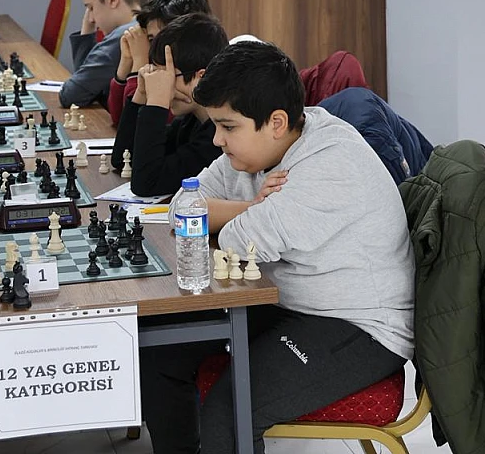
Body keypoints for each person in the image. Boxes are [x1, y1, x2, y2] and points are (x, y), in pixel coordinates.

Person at [139, 42, 416, 454]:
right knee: (161, 347)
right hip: (289, 302)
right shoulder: (258, 150)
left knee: (232, 409)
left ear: (276, 122)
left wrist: (227, 219)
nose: (216, 139)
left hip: (358, 326)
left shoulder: (329, 163)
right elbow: (182, 208)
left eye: (227, 127)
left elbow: (236, 242)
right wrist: (253, 205)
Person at [111, 13, 228, 195]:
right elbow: (123, 158)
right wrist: (141, 94)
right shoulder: (188, 122)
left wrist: (157, 103)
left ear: (201, 77)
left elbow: (146, 184)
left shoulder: (217, 139)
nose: (160, 84)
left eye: (167, 76)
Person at [108, 0, 212, 124]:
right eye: (151, 39)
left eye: (164, 38)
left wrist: (140, 62)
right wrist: (126, 61)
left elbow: (145, 125)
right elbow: (119, 119)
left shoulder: (189, 76)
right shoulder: (159, 68)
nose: (155, 48)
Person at [59, 0, 140, 108]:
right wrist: (88, 28)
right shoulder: (142, 24)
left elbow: (72, 95)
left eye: (91, 7)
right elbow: (85, 82)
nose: (91, 19)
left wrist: (86, 32)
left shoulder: (124, 36)